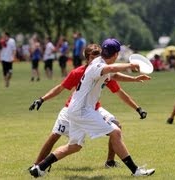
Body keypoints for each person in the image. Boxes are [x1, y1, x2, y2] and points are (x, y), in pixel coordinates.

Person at [29, 39, 155, 178]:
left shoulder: (100, 63)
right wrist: (131, 65)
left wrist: (134, 79)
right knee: (116, 131)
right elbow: (111, 70)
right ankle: (135, 171)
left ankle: (40, 168)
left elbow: (113, 74)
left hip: (75, 109)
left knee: (75, 146)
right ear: (116, 54)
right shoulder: (98, 66)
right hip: (83, 110)